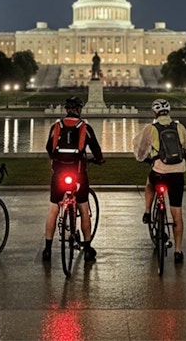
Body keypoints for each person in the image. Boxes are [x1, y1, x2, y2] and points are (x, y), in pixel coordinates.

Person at [42, 96, 104, 262]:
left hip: (59, 173)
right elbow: (96, 149)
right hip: (78, 174)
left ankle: (47, 249)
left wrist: (54, 161)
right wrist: (99, 159)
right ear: (79, 109)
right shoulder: (85, 127)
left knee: (54, 209)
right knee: (83, 208)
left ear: (66, 109)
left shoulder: (56, 126)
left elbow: (49, 147)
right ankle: (88, 247)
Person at [132, 98, 186, 264]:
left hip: (159, 171)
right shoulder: (180, 127)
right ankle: (178, 251)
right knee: (176, 212)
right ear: (169, 112)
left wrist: (143, 158)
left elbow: (140, 148)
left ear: (154, 113)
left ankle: (148, 211)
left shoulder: (151, 128)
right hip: (178, 172)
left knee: (150, 184)